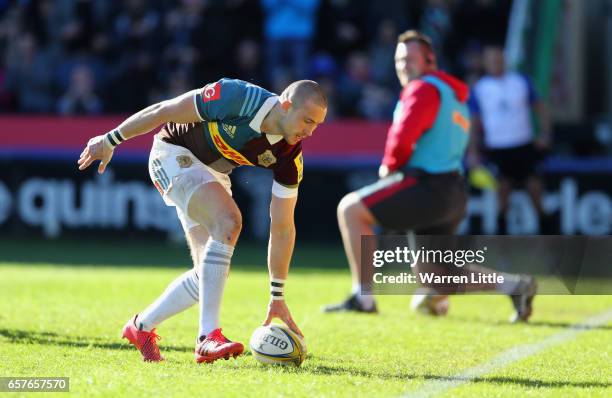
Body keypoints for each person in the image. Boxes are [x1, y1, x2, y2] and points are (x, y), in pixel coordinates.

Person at [78, 78, 327, 362]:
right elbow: (164, 110)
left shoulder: (290, 155)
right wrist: (111, 139)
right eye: (307, 120)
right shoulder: (237, 97)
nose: (310, 131)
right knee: (229, 222)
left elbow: (283, 227)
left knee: (208, 275)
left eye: (316, 125)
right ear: (285, 106)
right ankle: (207, 337)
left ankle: (140, 327)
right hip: (173, 153)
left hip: (213, 174)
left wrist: (277, 295)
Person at [323, 30, 536, 322]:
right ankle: (515, 286)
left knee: (350, 209)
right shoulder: (453, 95)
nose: (403, 65)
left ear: (430, 59)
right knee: (435, 276)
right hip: (452, 193)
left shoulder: (422, 88)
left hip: (427, 185)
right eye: (399, 60)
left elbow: (403, 134)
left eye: (410, 58)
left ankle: (363, 298)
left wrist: (389, 165)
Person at [468, 44, 552, 234]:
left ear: (505, 59)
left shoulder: (521, 82)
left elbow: (541, 108)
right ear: (485, 63)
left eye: (498, 58)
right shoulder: (480, 89)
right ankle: (503, 243)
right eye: (491, 60)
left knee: (535, 190)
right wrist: (472, 151)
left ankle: (550, 238)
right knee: (503, 194)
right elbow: (473, 123)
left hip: (523, 145)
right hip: (497, 148)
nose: (496, 63)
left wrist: (545, 134)